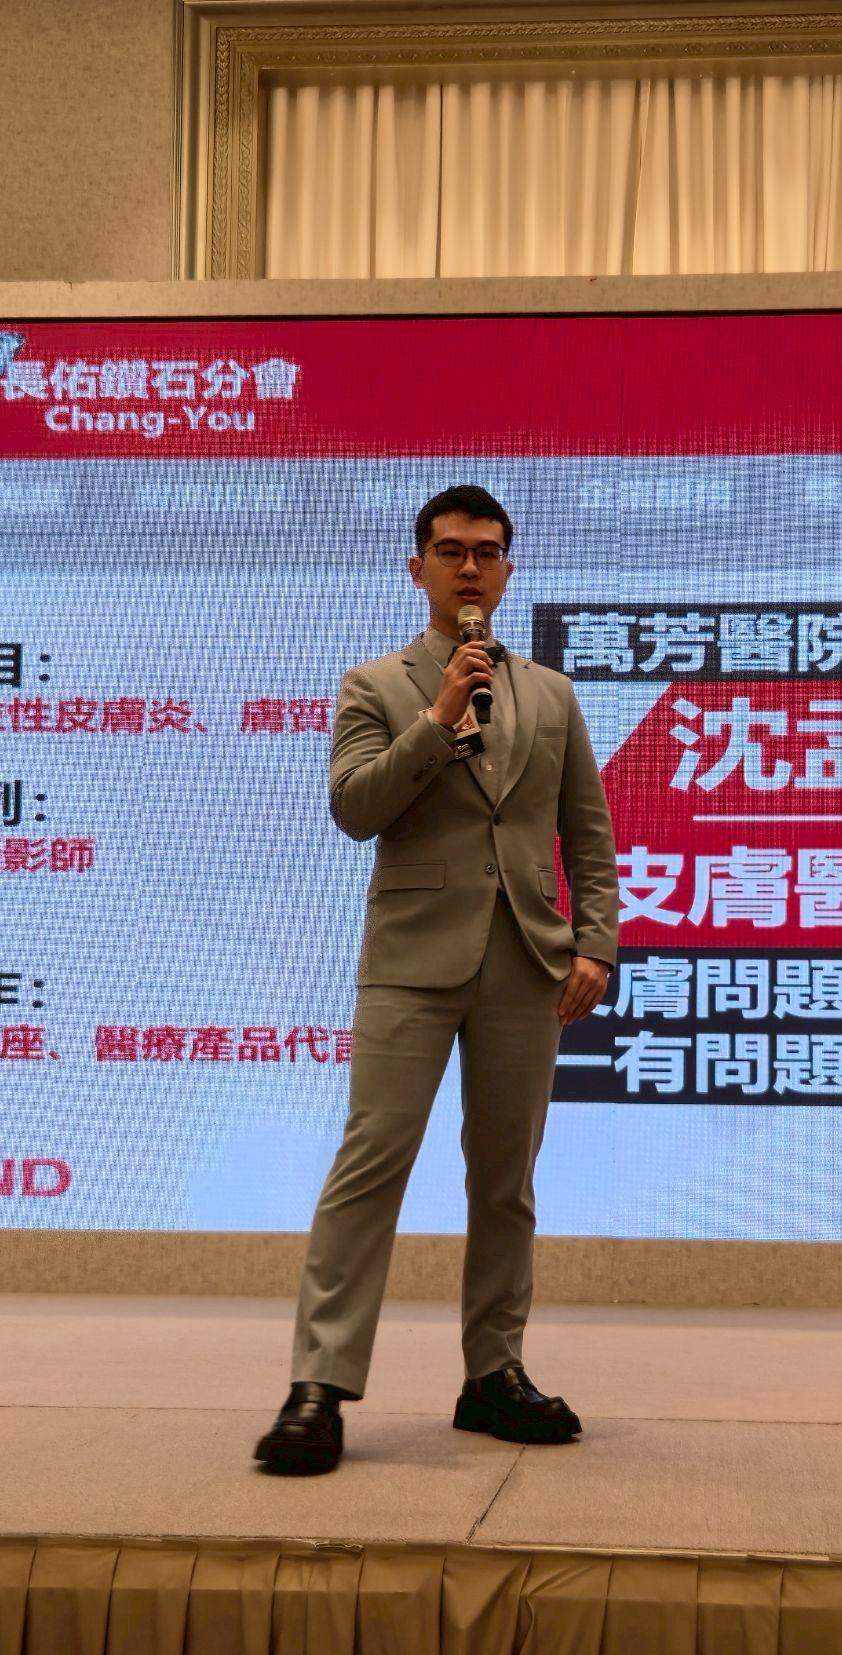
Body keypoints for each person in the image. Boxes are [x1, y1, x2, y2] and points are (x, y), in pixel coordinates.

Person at [254, 486, 619, 1475]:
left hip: (527, 961)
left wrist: (595, 942)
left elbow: (585, 832)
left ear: (508, 571)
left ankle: (493, 1373)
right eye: (451, 551)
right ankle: (318, 1385)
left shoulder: (552, 694)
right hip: (411, 962)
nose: (469, 567)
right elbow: (355, 808)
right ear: (416, 567)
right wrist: (440, 714)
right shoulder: (376, 684)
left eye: (487, 552)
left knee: (506, 1178)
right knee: (371, 1162)